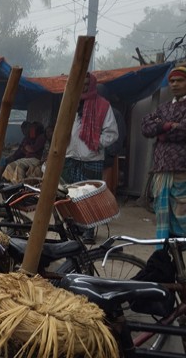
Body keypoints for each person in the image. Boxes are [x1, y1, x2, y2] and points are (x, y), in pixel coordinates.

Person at [62, 73, 119, 244]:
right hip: (70, 157)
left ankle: (88, 231)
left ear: (92, 85)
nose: (83, 87)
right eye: (81, 83)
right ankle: (76, 228)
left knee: (89, 196)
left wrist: (95, 143)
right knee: (70, 195)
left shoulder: (102, 105)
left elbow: (112, 133)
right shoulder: (68, 103)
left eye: (86, 84)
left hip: (91, 159)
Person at [141, 65, 186, 241]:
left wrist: (160, 128)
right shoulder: (164, 107)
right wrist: (167, 126)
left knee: (185, 218)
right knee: (164, 219)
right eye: (171, 81)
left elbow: (185, 130)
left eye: (180, 80)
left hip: (183, 170)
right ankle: (168, 260)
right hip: (162, 171)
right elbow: (146, 127)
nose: (175, 84)